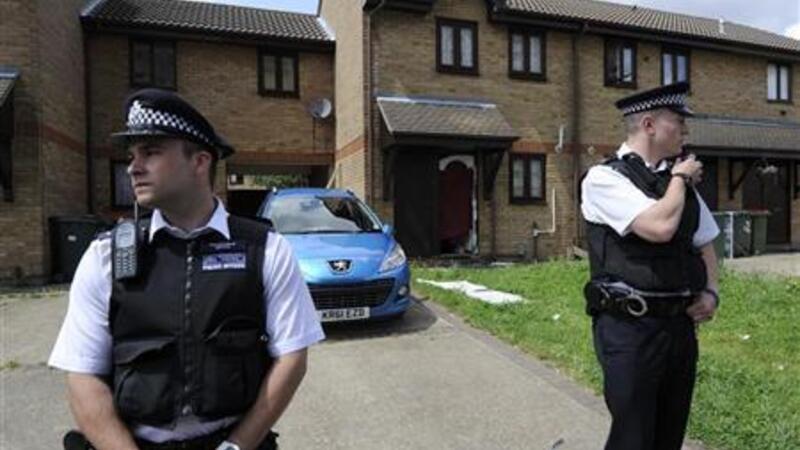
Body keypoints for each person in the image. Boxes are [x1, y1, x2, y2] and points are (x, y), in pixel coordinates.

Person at [49, 88, 325, 450]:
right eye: (132, 155)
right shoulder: (105, 256)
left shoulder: (266, 250)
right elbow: (82, 375)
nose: (133, 167)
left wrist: (236, 446)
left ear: (199, 161)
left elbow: (291, 357)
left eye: (151, 152)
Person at [580, 82, 720, 450]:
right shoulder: (604, 178)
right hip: (631, 329)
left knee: (668, 436)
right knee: (633, 438)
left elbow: (704, 241)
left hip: (679, 327)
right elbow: (659, 227)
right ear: (649, 125)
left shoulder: (677, 182)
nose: (686, 130)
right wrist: (680, 179)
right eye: (679, 121)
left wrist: (711, 291)